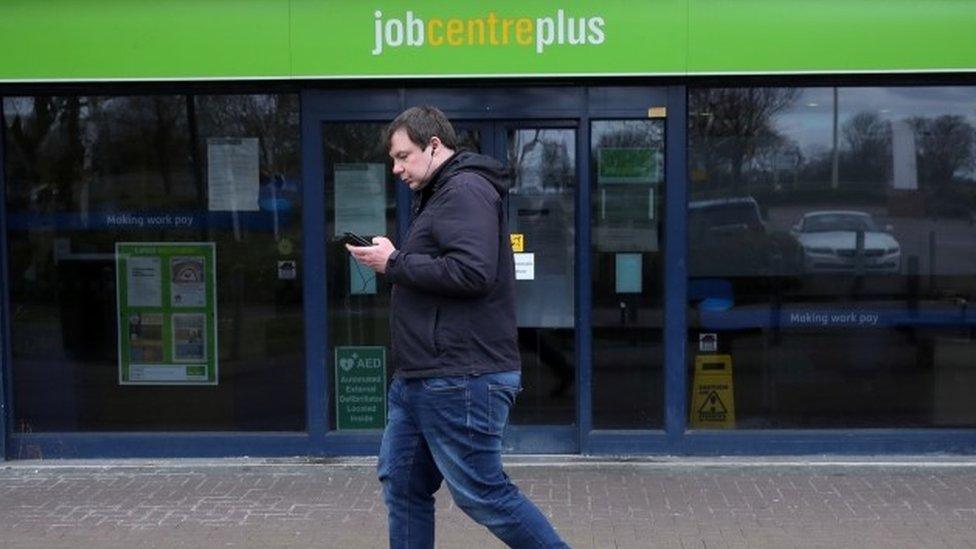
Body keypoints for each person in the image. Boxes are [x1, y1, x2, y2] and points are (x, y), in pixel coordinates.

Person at [346, 106, 569, 549]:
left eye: (403, 156)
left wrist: (392, 262)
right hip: (421, 376)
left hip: (460, 376)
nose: (397, 169)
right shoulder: (441, 193)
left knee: (483, 494)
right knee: (404, 484)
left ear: (433, 145)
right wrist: (397, 256)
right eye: (393, 159)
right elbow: (440, 264)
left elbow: (472, 272)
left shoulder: (464, 190)